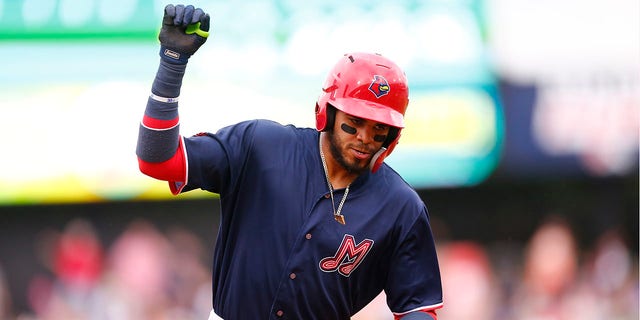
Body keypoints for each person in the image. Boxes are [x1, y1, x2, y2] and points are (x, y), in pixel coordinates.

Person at [136, 4, 443, 319]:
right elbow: (158, 161)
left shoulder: (401, 207)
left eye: (379, 128)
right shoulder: (262, 146)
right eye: (356, 121)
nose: (366, 137)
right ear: (328, 112)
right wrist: (172, 64)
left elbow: (417, 307)